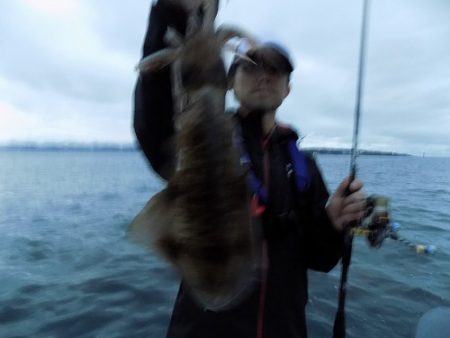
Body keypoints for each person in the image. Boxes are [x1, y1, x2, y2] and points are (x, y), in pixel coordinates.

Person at [133, 1, 365, 337]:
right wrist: (169, 13)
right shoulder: (197, 137)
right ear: (230, 82)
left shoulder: (303, 167)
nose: (265, 76)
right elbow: (153, 127)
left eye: (276, 70)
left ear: (288, 88)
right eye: (251, 66)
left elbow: (319, 258)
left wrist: (332, 223)